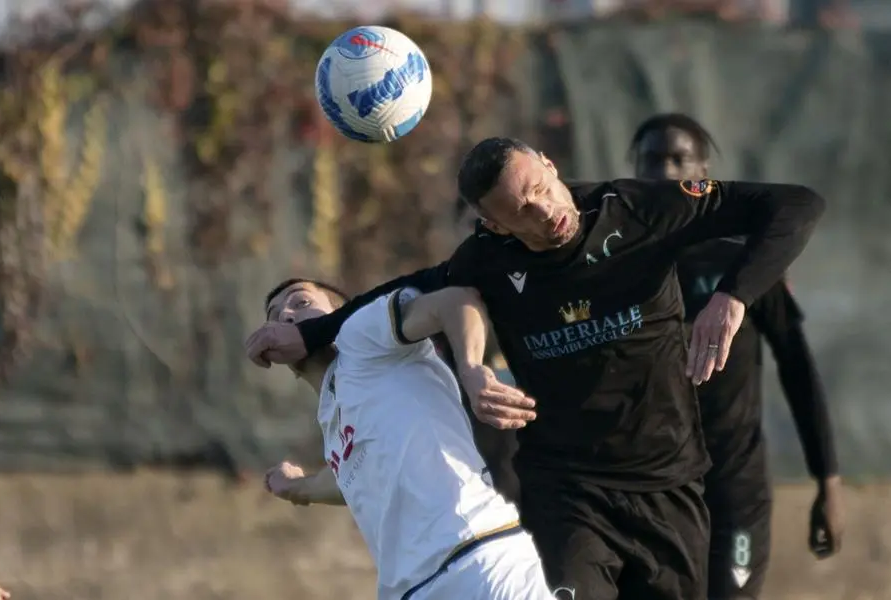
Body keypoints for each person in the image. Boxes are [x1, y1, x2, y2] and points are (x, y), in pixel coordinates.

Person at [246, 137, 826, 600]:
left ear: (550, 165)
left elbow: (797, 203)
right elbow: (410, 288)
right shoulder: (488, 260)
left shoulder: (640, 209)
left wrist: (733, 296)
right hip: (569, 493)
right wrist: (308, 332)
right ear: (495, 226)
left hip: (669, 483)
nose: (547, 210)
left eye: (544, 187)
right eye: (522, 210)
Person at [630, 113, 845, 599]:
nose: (665, 172)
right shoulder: (616, 271)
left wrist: (827, 481)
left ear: (703, 173)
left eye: (678, 159)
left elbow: (798, 369)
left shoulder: (745, 265)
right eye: (652, 160)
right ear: (632, 173)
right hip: (652, 492)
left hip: (735, 489)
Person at [258, 278, 556, 600]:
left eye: (300, 303)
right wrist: (298, 487)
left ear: (340, 312)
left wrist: (471, 367)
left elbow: (455, 300)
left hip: (478, 560)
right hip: (412, 591)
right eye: (273, 317)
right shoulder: (332, 418)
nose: (285, 317)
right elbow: (351, 480)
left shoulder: (359, 335)